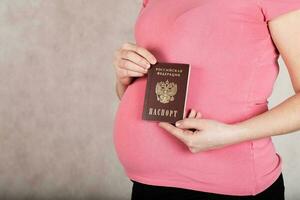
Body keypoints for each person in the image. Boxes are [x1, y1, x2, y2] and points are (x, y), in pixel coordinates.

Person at [112, 0, 300, 199]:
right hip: (146, 183)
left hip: (226, 186)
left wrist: (232, 134)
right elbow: (133, 95)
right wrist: (124, 78)